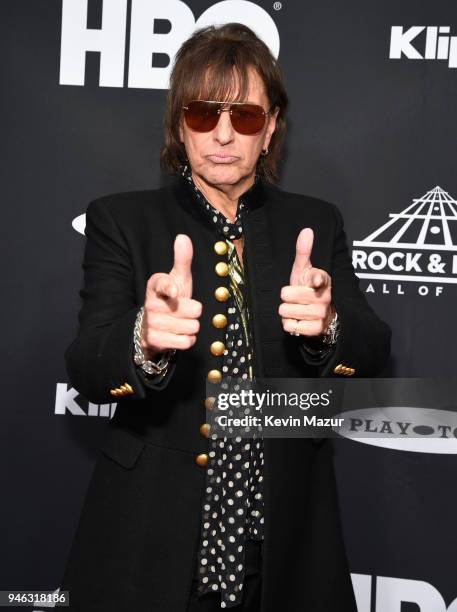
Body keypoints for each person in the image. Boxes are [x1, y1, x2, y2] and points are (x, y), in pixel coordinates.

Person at [60, 22, 391, 612]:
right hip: (150, 532)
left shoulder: (316, 221)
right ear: (177, 127)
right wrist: (143, 340)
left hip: (287, 534)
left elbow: (372, 350)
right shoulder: (121, 220)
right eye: (202, 113)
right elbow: (87, 363)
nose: (221, 134)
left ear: (270, 131)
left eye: (244, 117)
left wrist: (330, 323)